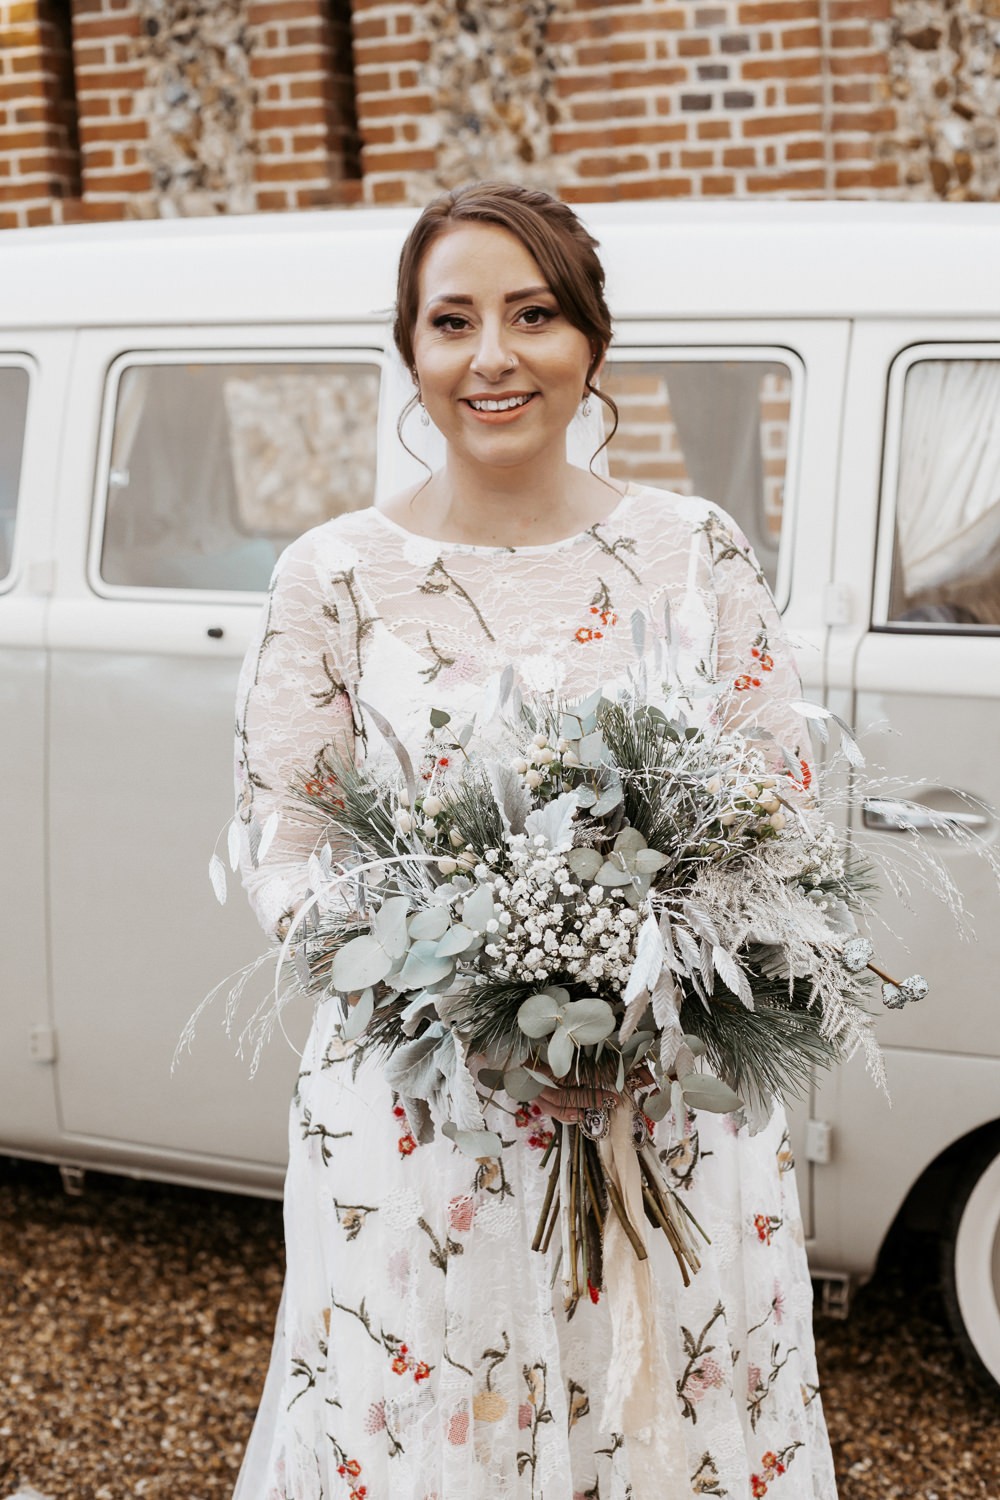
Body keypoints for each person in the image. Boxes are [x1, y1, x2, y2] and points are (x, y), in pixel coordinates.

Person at [232, 183, 838, 1500]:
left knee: (667, 1414)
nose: (492, 354)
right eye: (452, 321)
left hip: (667, 1116)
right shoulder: (333, 577)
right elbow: (287, 850)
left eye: (534, 314)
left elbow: (781, 807)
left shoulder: (694, 553)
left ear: (591, 343)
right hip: (425, 1122)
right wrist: (468, 998)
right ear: (412, 352)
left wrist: (648, 995)